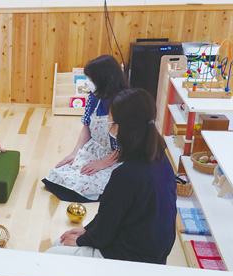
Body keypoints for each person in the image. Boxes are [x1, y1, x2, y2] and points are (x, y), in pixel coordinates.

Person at [45, 88, 176, 264]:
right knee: (60, 243)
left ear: (121, 127)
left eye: (110, 121)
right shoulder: (161, 160)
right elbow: (110, 217)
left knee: (51, 253)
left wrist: (82, 239)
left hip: (128, 259)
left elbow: (104, 233)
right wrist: (86, 230)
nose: (108, 126)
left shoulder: (126, 174)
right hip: (152, 254)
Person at [43, 55, 129, 202]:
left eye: (91, 78)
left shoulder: (123, 103)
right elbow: (87, 128)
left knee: (86, 183)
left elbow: (126, 145)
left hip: (118, 156)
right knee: (58, 174)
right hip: (96, 149)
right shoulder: (94, 98)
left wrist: (103, 163)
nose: (88, 82)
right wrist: (75, 153)